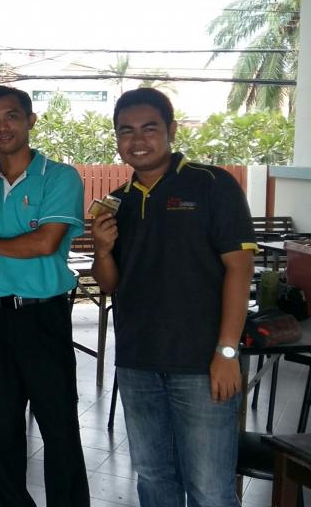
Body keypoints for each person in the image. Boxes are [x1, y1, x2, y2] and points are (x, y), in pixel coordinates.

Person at [91, 88, 255, 507]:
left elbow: (239, 269)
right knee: (154, 478)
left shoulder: (212, 184)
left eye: (149, 128)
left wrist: (227, 352)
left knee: (210, 490)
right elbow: (109, 285)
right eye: (126, 131)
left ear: (171, 130)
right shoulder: (118, 202)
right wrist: (103, 250)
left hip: (201, 364)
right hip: (137, 363)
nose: (137, 140)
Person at [0, 85, 89, 506]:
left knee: (58, 425)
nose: (2, 126)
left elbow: (46, 243)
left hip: (43, 315)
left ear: (30, 120)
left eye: (11, 115)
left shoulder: (60, 176)